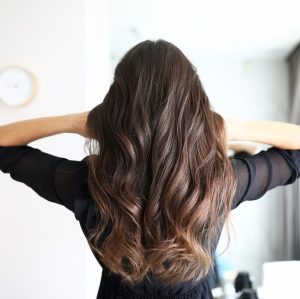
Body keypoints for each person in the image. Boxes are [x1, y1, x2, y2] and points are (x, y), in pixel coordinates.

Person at [1, 39, 300, 299]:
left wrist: (72, 122)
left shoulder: (89, 184)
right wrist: (231, 127)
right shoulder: (218, 181)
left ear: (115, 105)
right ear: (193, 105)